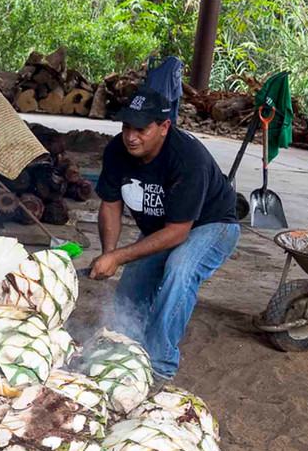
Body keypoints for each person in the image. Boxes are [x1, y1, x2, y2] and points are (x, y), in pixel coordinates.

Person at [91, 87, 240, 381]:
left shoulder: (187, 159)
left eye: (141, 129)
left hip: (213, 225)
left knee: (180, 268)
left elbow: (177, 233)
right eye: (126, 127)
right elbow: (110, 205)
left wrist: (119, 257)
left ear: (164, 127)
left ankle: (160, 364)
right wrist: (110, 254)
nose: (130, 137)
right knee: (133, 281)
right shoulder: (116, 151)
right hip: (167, 227)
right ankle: (125, 346)